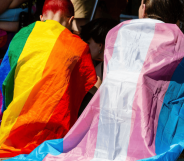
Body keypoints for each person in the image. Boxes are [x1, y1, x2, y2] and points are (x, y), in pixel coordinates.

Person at [9, 0, 184, 161]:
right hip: (148, 131)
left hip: (101, 129)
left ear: (143, 9)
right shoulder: (178, 40)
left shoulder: (118, 32)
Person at [0, 0, 97, 157]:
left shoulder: (21, 37)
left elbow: (5, 82)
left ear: (41, 18)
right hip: (51, 140)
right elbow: (85, 89)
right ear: (71, 20)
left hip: (11, 136)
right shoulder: (79, 48)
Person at [78, 18, 118, 116]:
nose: (85, 46)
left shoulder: (101, 70)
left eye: (88, 43)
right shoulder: (107, 65)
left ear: (100, 45)